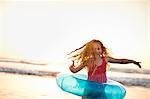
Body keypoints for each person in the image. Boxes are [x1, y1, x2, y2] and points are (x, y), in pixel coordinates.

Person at [68, 39, 141, 99]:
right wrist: (71, 67)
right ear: (90, 50)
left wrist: (132, 61)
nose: (96, 50)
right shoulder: (88, 61)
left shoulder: (105, 59)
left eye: (98, 48)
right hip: (90, 87)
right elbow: (75, 70)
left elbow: (120, 61)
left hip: (101, 86)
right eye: (94, 49)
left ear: (102, 50)